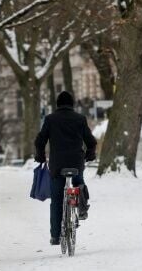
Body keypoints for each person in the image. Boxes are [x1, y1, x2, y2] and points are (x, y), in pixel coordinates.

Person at [34, 91, 97, 245]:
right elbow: (91, 141)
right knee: (78, 183)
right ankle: (81, 206)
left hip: (57, 165)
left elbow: (40, 140)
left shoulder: (50, 119)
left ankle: (55, 235)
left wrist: (40, 156)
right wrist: (90, 154)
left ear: (57, 104)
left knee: (56, 199)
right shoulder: (80, 119)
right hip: (76, 162)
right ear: (72, 104)